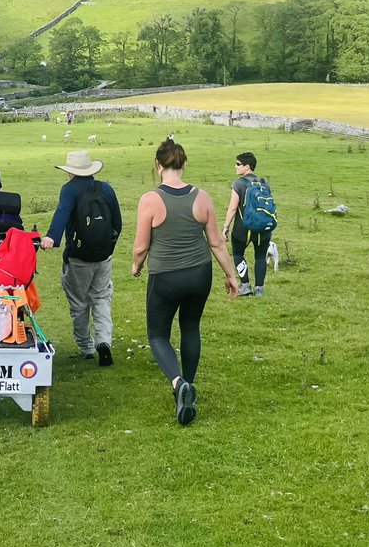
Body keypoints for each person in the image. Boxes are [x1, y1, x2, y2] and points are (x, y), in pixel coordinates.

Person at [131, 140, 240, 425]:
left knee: (157, 335)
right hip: (199, 273)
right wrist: (231, 275)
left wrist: (136, 266)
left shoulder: (150, 199)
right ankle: (189, 385)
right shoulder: (201, 197)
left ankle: (179, 385)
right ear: (184, 165)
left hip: (165, 276)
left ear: (158, 165)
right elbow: (216, 243)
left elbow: (141, 247)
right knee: (190, 326)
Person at [39, 149, 122, 366]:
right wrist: (108, 247)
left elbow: (62, 213)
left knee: (79, 303)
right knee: (102, 298)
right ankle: (104, 341)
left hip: (78, 258)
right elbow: (117, 224)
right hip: (104, 257)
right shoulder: (106, 189)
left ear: (71, 172)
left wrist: (51, 238)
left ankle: (86, 347)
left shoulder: (70, 189)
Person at [223, 151, 274, 297]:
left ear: (247, 166)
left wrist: (225, 227)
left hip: (243, 229)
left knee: (238, 254)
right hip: (263, 228)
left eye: (238, 164)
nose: (235, 167)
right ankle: (259, 289)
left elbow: (233, 208)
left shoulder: (239, 184)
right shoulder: (264, 183)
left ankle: (245, 285)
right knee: (260, 257)